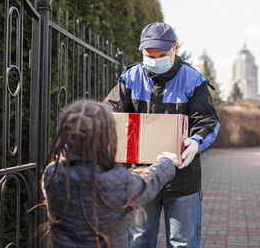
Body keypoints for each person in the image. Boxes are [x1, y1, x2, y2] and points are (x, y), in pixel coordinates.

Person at [104, 22, 220, 248]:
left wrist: (196, 142)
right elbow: (109, 113)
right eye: (150, 55)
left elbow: (208, 121)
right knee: (138, 241)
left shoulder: (192, 80)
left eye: (162, 55)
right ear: (141, 51)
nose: (156, 60)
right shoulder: (130, 78)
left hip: (182, 180)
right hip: (141, 176)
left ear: (175, 48)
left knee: (182, 243)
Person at [41, 100, 180, 248]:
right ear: (108, 140)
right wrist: (166, 162)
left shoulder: (53, 174)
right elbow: (149, 183)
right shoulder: (120, 181)